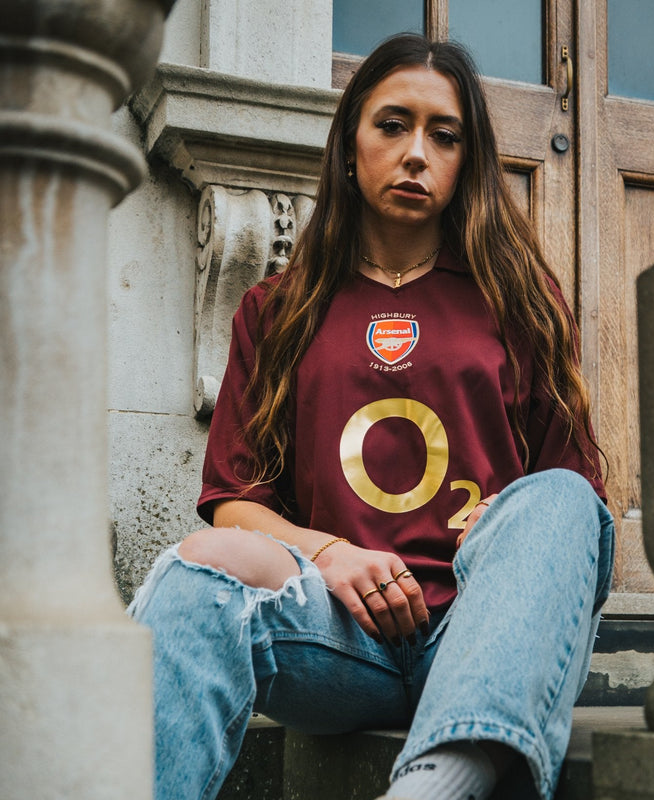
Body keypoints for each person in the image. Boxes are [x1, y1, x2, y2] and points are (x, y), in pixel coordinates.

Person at [129, 33, 615, 800]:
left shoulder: (519, 301)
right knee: (195, 570)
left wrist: (505, 521)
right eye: (393, 124)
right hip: (340, 640)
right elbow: (234, 502)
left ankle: (437, 782)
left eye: (443, 134)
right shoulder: (277, 309)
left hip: (485, 630)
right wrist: (327, 554)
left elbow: (574, 501)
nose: (416, 152)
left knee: (559, 502)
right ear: (350, 145)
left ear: (467, 161)